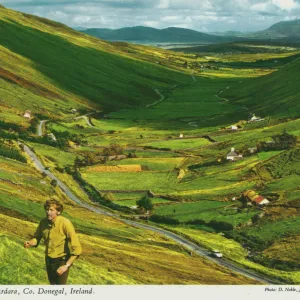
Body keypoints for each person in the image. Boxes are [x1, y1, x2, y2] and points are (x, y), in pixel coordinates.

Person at [24, 199, 82, 285]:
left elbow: (77, 248)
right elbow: (37, 238)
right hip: (48, 260)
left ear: (58, 212)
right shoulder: (43, 222)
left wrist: (66, 266)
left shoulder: (65, 223)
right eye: (47, 209)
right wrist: (31, 243)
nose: (48, 212)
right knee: (52, 285)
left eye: (51, 210)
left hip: (62, 261)